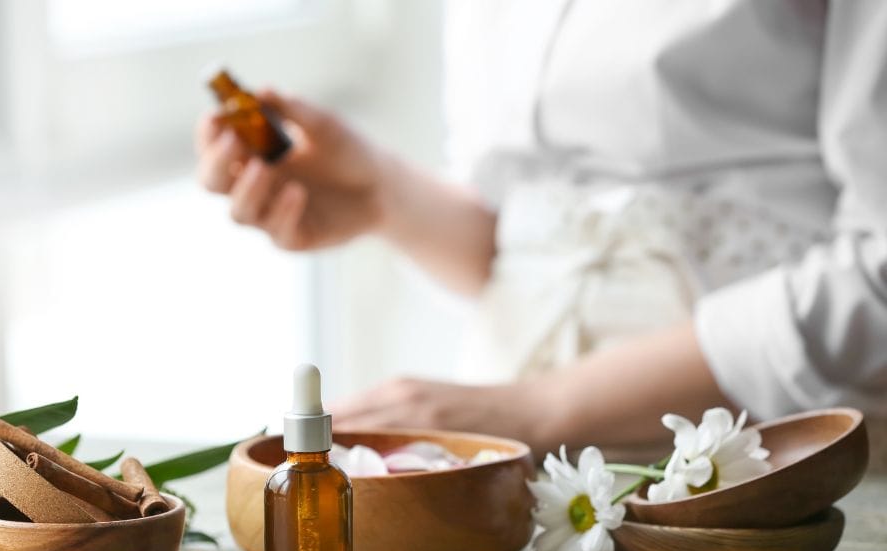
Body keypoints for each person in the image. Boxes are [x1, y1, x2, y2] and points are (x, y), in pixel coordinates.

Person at [196, 1, 887, 459]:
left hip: (779, 477)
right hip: (512, 473)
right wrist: (380, 194)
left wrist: (537, 409)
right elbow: (534, 240)